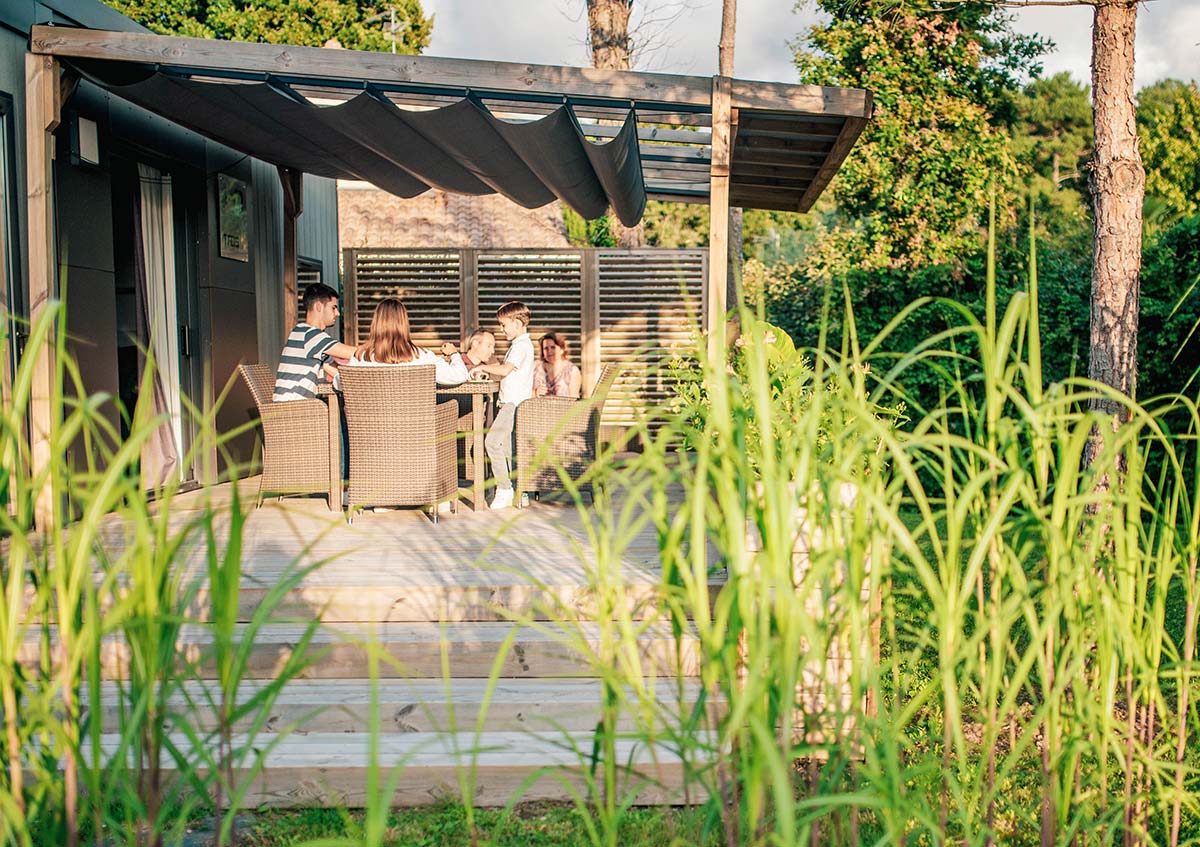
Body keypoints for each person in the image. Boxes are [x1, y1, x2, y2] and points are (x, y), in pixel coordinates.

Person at [470, 301, 535, 510]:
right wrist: (488, 369)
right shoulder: (520, 345)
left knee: (492, 443)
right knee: (507, 449)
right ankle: (517, 490)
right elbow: (506, 370)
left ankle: (504, 488)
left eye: (504, 324)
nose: (501, 329)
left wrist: (480, 366)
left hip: (512, 405)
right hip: (510, 403)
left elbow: (506, 370)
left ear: (516, 323)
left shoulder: (521, 346)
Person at [338, 298, 470, 385]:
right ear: (404, 324)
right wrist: (453, 354)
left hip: (367, 426)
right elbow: (459, 376)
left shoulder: (360, 358)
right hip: (416, 426)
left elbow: (339, 383)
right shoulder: (422, 357)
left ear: (375, 324)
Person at [274, 283, 356, 401]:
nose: (337, 313)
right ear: (318, 306)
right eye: (333, 307)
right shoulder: (310, 335)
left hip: (292, 407)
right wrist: (383, 348)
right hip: (294, 410)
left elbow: (333, 367)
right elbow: (352, 352)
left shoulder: (303, 332)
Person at [533, 332, 582, 399]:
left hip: (563, 409)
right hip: (536, 408)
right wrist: (535, 392)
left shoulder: (572, 370)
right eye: (546, 348)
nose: (549, 351)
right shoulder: (535, 367)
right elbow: (523, 392)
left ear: (562, 349)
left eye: (553, 347)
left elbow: (574, 400)